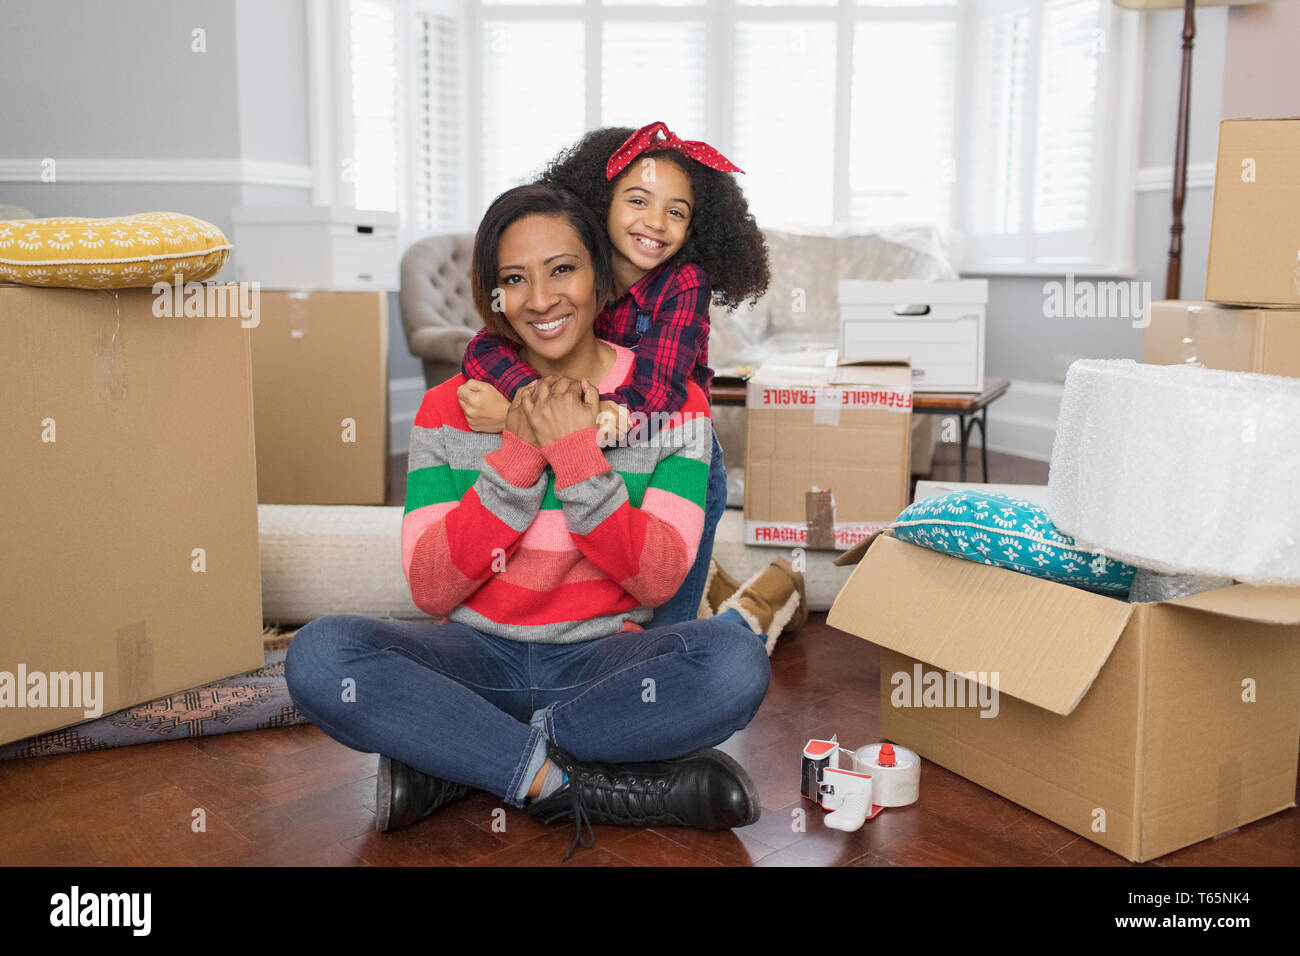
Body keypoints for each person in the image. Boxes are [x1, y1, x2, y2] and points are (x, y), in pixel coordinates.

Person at [284, 184, 803, 861]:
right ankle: (558, 780)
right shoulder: (449, 407)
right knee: (321, 656)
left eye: (563, 269)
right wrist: (522, 448)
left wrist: (575, 453)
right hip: (477, 659)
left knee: (734, 664)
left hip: (602, 665)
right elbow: (433, 589)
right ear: (491, 294)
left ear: (600, 277)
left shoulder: (672, 407)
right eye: (513, 280)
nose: (540, 299)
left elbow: (656, 582)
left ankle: (460, 757)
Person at [456, 121, 776, 636]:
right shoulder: (578, 270)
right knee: (604, 605)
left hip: (674, 456)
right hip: (590, 452)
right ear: (601, 201)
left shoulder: (684, 283)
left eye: (677, 211)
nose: (656, 222)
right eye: (638, 200)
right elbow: (485, 346)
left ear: (695, 228)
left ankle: (733, 617)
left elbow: (653, 396)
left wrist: (521, 419)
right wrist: (533, 404)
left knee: (664, 618)